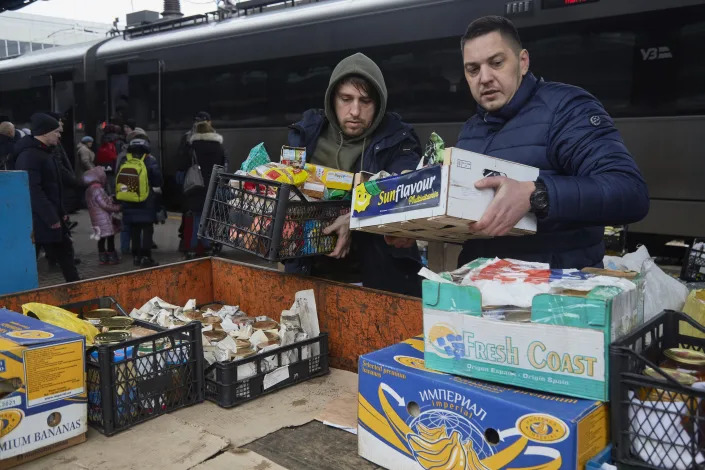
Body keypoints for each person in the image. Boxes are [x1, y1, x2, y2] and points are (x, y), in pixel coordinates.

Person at [455, 16, 649, 269]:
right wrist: (415, 223)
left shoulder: (566, 109)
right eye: (473, 69)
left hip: (555, 296)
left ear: (522, 62)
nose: (485, 77)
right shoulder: (470, 130)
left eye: (497, 63)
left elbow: (630, 191)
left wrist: (536, 196)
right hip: (478, 290)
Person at [286, 53, 423, 296]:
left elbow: (403, 191)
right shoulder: (307, 134)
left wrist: (354, 219)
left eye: (366, 101)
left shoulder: (399, 141)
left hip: (377, 279)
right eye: (346, 99)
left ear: (379, 103)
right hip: (310, 275)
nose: (355, 111)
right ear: (332, 99)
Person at [14, 113, 80, 282]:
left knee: (65, 252)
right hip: (40, 220)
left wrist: (61, 211)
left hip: (49, 217)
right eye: (56, 132)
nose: (59, 135)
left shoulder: (45, 153)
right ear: (45, 132)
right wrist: (51, 217)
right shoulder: (30, 156)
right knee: (30, 259)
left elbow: (53, 186)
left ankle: (77, 289)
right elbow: (34, 190)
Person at [178, 120, 226, 259]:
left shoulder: (192, 147)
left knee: (197, 218)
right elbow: (223, 165)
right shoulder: (219, 147)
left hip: (196, 186)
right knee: (208, 218)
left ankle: (194, 247)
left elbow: (183, 165)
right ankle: (208, 246)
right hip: (212, 186)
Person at [119, 137, 163, 268]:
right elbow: (157, 182)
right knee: (147, 229)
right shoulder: (149, 161)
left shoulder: (124, 160)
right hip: (146, 201)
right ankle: (146, 257)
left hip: (128, 200)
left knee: (134, 230)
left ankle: (136, 257)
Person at [176, 111, 212, 253]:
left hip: (190, 182)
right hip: (206, 181)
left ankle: (187, 243)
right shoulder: (212, 140)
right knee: (203, 213)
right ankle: (204, 244)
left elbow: (181, 160)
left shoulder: (187, 138)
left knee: (191, 213)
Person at [82, 166, 121, 265]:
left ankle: (102, 257)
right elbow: (104, 205)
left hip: (95, 218)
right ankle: (112, 256)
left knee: (101, 238)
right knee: (110, 237)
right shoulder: (98, 189)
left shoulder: (88, 190)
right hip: (104, 218)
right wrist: (117, 208)